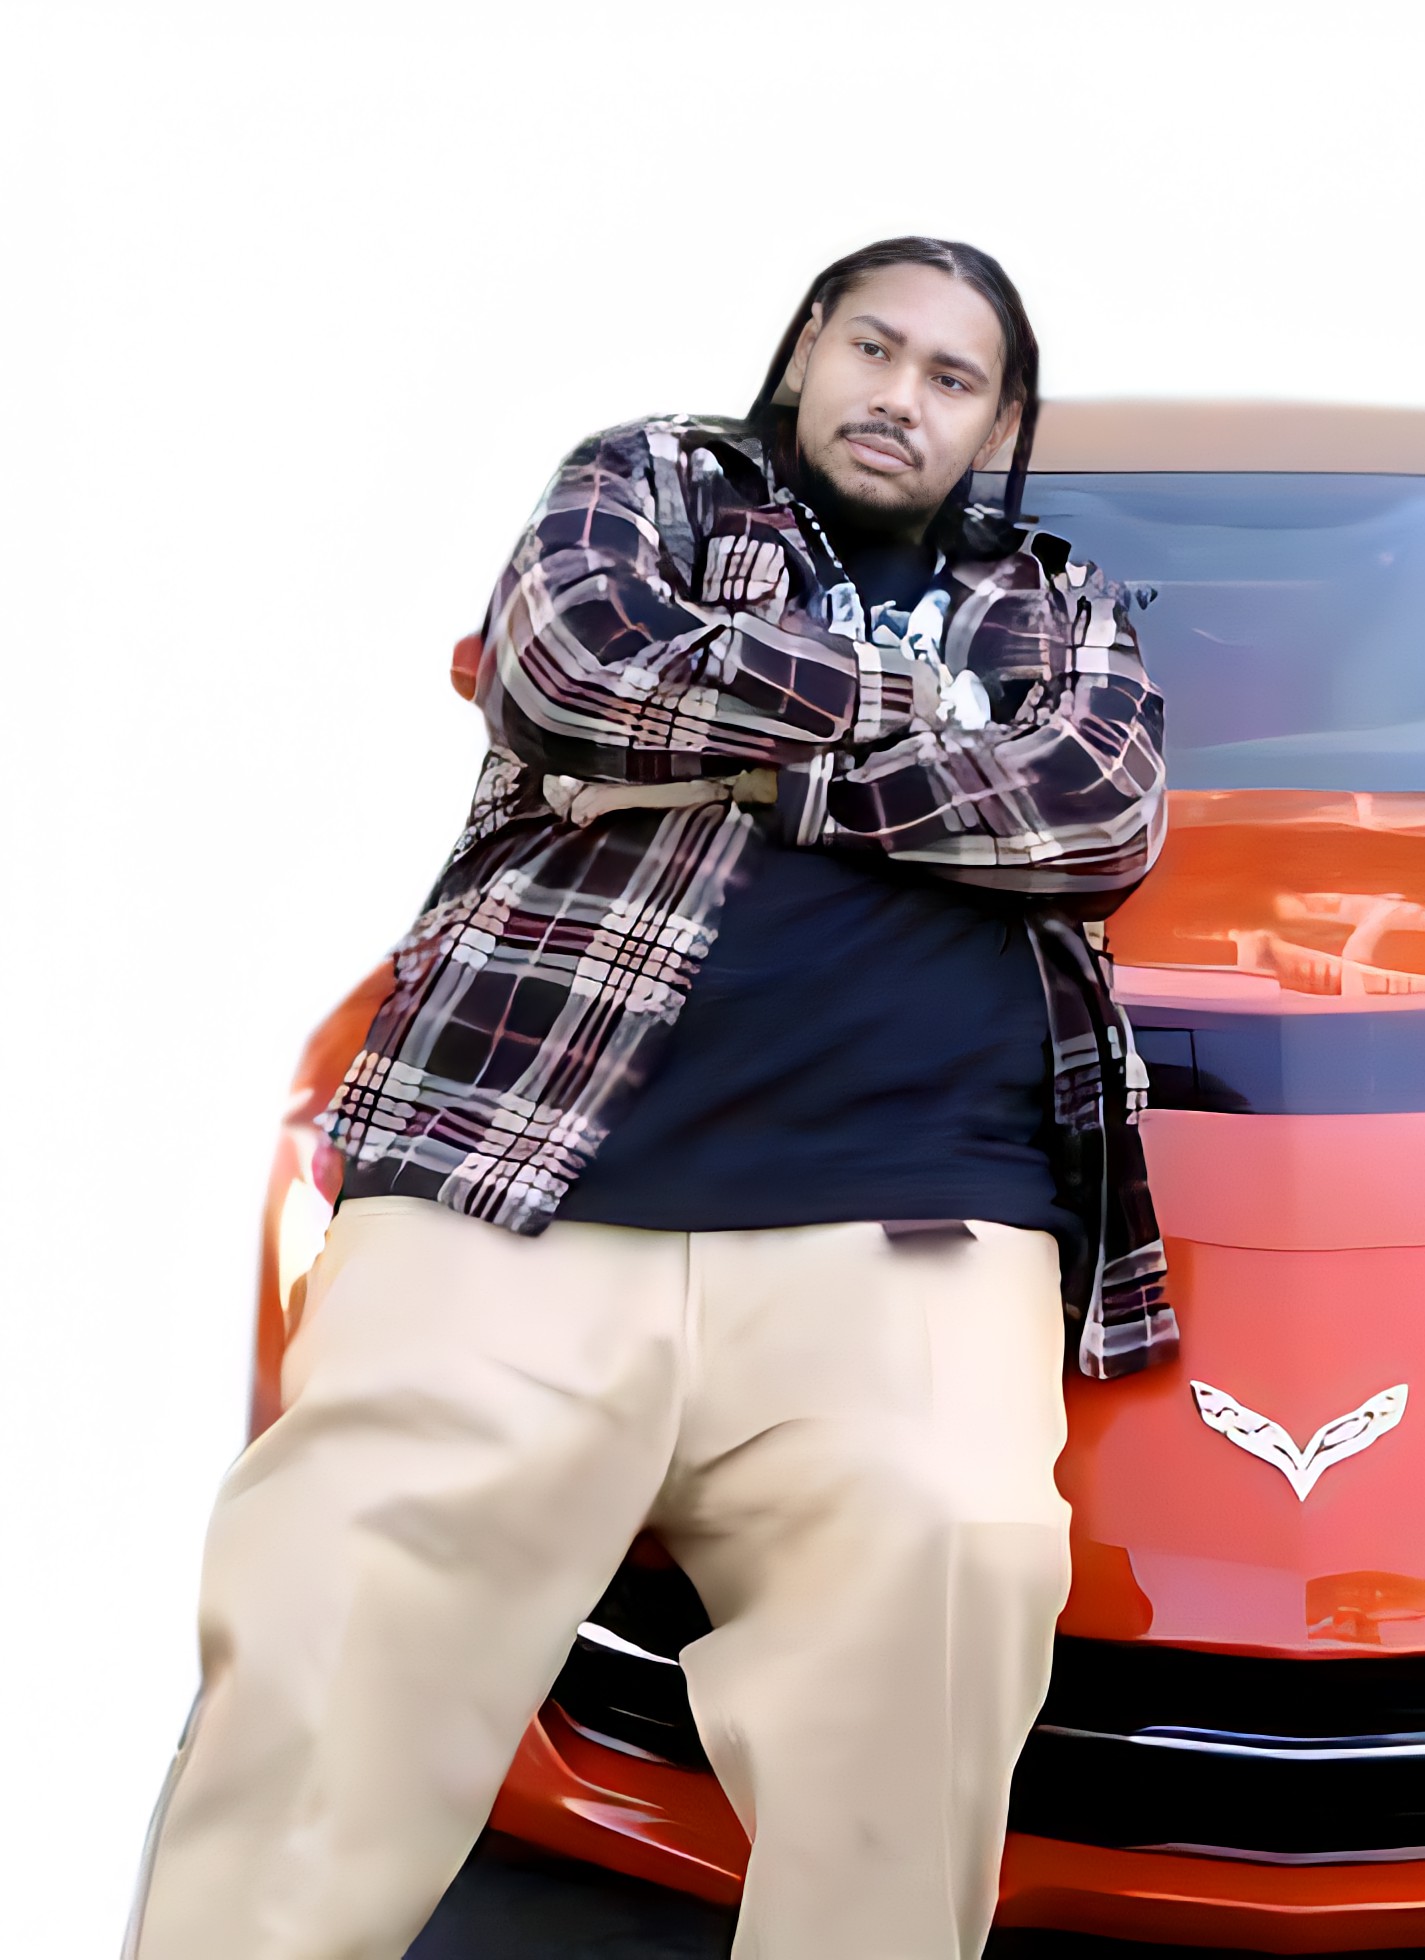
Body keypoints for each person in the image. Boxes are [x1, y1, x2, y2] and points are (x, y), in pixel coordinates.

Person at [124, 236, 1174, 1960]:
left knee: (957, 1565)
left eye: (951, 378)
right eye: (874, 349)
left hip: (912, 1218)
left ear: (996, 427)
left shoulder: (1062, 602)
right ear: (805, 351)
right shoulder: (655, 482)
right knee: (338, 1598)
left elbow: (1095, 812)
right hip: (521, 1170)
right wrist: (923, 710)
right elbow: (568, 670)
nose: (899, 398)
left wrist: (739, 764)